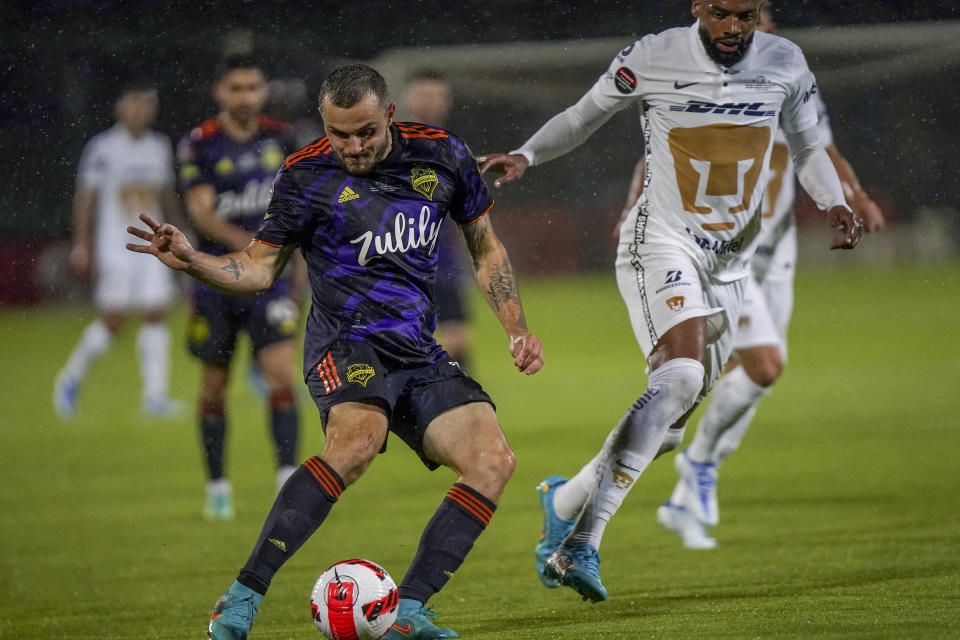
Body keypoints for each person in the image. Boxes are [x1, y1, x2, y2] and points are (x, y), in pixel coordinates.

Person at [128, 63, 543, 640]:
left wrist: (516, 327)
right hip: (346, 340)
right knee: (356, 445)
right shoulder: (303, 174)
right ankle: (242, 598)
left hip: (416, 348)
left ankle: (409, 612)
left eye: (365, 132)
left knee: (493, 461)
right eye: (339, 133)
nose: (351, 146)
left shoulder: (443, 155)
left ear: (389, 116)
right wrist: (194, 260)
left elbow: (486, 248)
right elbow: (257, 267)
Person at [478, 0, 863, 602]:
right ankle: (581, 542)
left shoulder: (786, 62)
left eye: (745, 15)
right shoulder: (653, 55)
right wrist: (527, 154)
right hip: (660, 240)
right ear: (697, 9)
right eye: (721, 14)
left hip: (732, 262)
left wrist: (832, 200)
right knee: (679, 377)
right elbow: (583, 116)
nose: (733, 28)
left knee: (668, 428)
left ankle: (564, 498)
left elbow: (809, 146)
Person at [647, 2, 885, 549]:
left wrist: (855, 197)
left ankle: (687, 486)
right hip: (728, 250)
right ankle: (690, 464)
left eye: (755, 20)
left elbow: (820, 147)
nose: (743, 31)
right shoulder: (706, 83)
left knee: (742, 373)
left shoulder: (788, 77)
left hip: (778, 254)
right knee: (763, 364)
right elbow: (662, 146)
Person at [177, 54, 304, 520]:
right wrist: (255, 248)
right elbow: (203, 213)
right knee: (213, 388)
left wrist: (298, 270)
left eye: (253, 87)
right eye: (237, 88)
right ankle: (217, 486)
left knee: (280, 378)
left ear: (264, 90)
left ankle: (287, 479)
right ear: (220, 92)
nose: (246, 96)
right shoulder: (199, 145)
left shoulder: (283, 138)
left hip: (271, 283)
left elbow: (298, 209)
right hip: (216, 283)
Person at [53, 83, 182, 420]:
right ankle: (70, 377)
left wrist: (180, 230)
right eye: (134, 103)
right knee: (113, 321)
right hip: (117, 247)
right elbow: (86, 198)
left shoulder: (159, 146)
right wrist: (82, 243)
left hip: (153, 245)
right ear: (120, 108)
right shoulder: (103, 148)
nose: (140, 110)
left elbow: (165, 194)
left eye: (146, 104)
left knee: (155, 312)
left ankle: (155, 397)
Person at [401, 70, 474, 372]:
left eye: (436, 96)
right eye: (423, 94)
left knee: (457, 343)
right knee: (406, 344)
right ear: (407, 98)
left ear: (447, 102)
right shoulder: (388, 146)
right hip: (400, 260)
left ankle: (463, 406)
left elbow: (469, 210)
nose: (429, 103)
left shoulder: (456, 150)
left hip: (444, 261)